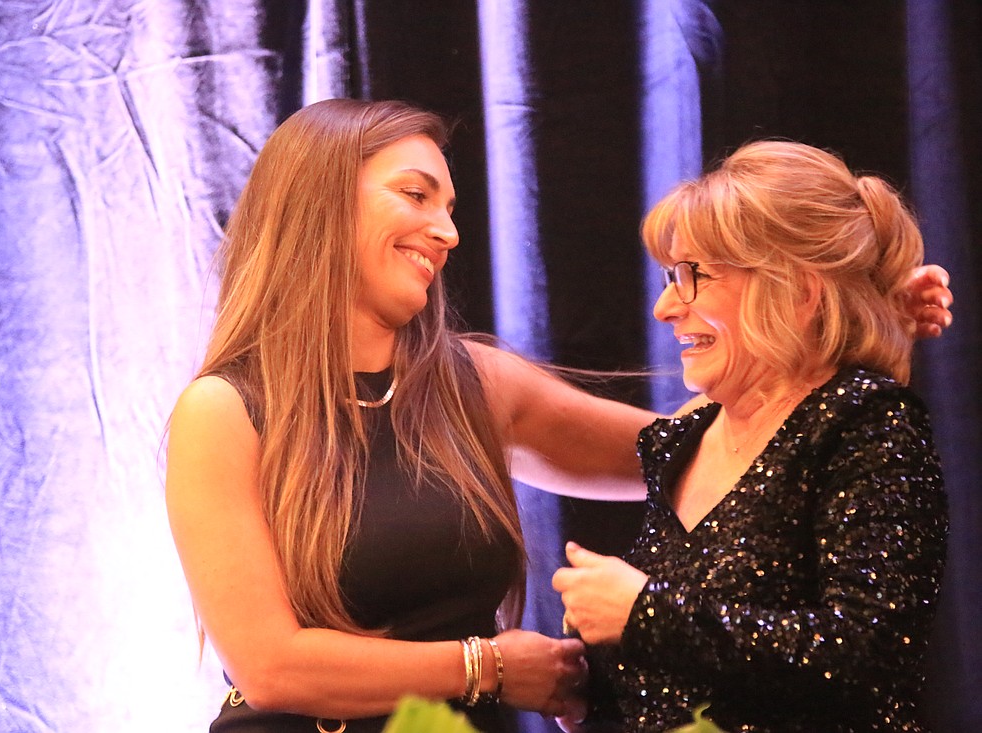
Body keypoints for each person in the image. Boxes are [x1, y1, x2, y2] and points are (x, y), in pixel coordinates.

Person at [165, 99, 953, 733]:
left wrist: (838, 317)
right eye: (416, 195)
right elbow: (271, 666)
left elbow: (718, 448)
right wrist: (492, 666)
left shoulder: (474, 384)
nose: (448, 232)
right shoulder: (226, 410)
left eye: (451, 206)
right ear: (318, 204)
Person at [553, 140, 950, 733]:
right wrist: (585, 685)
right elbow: (692, 674)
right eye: (669, 276)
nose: (665, 307)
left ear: (796, 291)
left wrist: (646, 614)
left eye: (693, 275)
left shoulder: (864, 422)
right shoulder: (680, 442)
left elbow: (867, 655)